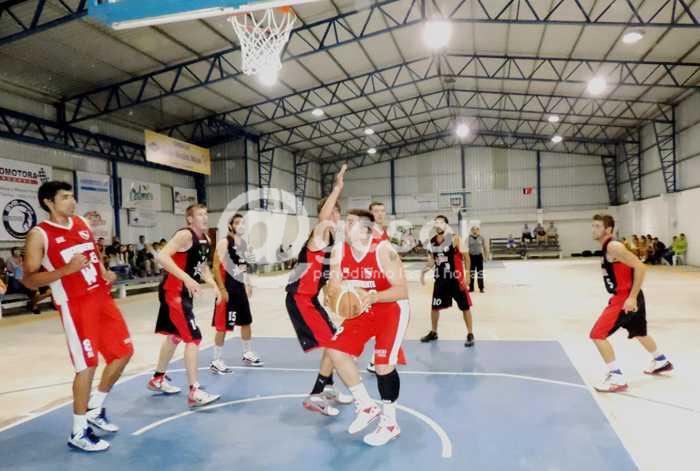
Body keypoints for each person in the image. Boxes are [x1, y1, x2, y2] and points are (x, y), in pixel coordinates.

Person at [22, 181, 133, 452]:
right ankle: (78, 431)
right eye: (65, 197)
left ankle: (95, 407)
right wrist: (66, 270)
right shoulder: (40, 234)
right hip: (76, 306)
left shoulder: (82, 223)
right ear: (49, 202)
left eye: (72, 196)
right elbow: (29, 279)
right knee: (87, 365)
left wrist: (105, 272)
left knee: (123, 352)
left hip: (102, 298)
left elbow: (94, 254)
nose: (72, 201)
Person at [325, 209, 409, 446]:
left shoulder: (383, 251)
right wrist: (331, 294)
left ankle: (390, 424)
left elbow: (402, 290)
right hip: (363, 309)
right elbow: (334, 284)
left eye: (350, 222)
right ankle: (366, 406)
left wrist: (374, 296)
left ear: (365, 230)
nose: (344, 225)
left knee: (383, 365)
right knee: (335, 350)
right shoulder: (339, 251)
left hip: (391, 308)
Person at [284, 164, 353, 416]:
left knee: (333, 341)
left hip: (310, 299)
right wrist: (337, 188)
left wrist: (332, 293)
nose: (334, 214)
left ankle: (329, 388)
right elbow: (324, 219)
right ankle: (315, 396)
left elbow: (325, 275)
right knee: (335, 344)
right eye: (331, 210)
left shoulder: (333, 242)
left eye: (337, 210)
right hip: (299, 299)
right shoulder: (320, 234)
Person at [147, 203, 221, 407]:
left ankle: (157, 378)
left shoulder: (205, 239)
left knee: (176, 335)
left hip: (184, 293)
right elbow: (162, 257)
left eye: (206, 214)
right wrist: (187, 278)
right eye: (200, 214)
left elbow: (202, 267)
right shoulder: (185, 235)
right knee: (194, 338)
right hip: (174, 293)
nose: (205, 217)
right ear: (190, 219)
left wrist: (214, 285)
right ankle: (194, 391)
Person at [589, 214, 673, 393]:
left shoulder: (613, 246)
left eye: (597, 226)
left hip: (625, 298)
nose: (593, 230)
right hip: (631, 295)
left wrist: (632, 297)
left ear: (608, 229)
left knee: (597, 334)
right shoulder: (608, 247)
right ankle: (660, 361)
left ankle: (616, 378)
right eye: (593, 226)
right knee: (639, 332)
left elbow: (640, 267)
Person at [210, 212, 263, 373]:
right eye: (237, 223)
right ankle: (216, 360)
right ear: (230, 226)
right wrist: (222, 289)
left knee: (246, 321)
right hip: (227, 290)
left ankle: (247, 353)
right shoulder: (224, 242)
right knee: (223, 326)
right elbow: (215, 267)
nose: (241, 226)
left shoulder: (244, 244)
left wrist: (248, 283)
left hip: (240, 289)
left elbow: (243, 267)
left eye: (243, 223)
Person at [420, 216, 475, 347]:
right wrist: (423, 272)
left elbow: (467, 257)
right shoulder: (432, 242)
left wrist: (468, 275)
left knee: (465, 307)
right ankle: (434, 332)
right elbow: (433, 261)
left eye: (441, 222)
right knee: (435, 307)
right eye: (436, 222)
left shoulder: (455, 239)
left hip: (456, 279)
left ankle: (470, 334)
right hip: (440, 280)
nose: (438, 224)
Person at [366, 201, 390, 374]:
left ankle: (376, 360)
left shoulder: (383, 232)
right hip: (371, 284)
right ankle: (344, 353)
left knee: (382, 324)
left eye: (382, 211)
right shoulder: (367, 233)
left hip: (383, 283)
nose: (380, 214)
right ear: (370, 214)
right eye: (376, 211)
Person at [467, 226, 488, 294]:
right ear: (471, 230)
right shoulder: (468, 238)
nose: (475, 231)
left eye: (476, 229)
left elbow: (485, 247)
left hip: (479, 257)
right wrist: (466, 258)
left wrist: (485, 256)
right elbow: (465, 248)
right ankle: (471, 288)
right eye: (473, 229)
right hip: (471, 257)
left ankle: (481, 288)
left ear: (478, 230)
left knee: (480, 273)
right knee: (471, 273)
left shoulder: (481, 238)